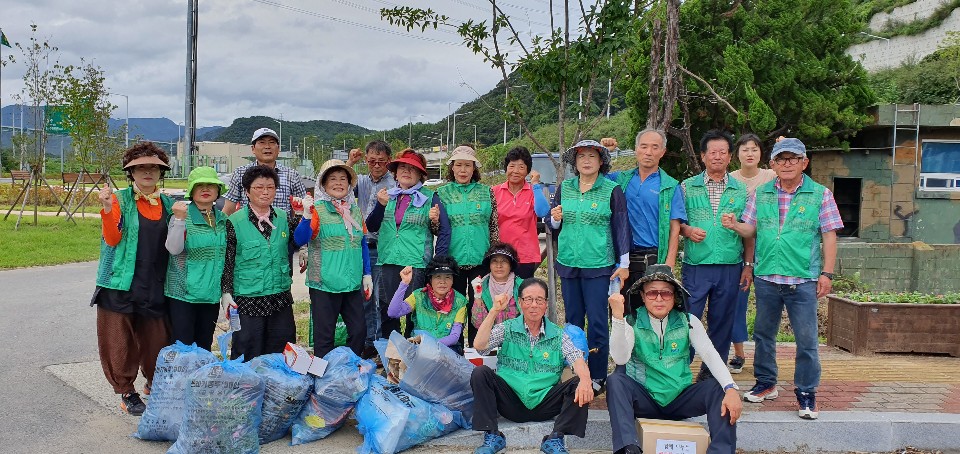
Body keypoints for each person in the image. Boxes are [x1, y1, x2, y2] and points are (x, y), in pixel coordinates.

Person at [722, 137, 842, 420]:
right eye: (781, 159)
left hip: (803, 279)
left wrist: (827, 273)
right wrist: (734, 224)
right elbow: (750, 229)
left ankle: (807, 392)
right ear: (772, 164)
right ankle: (766, 383)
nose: (787, 164)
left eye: (793, 159)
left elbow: (829, 235)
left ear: (804, 163)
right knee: (764, 335)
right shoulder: (761, 193)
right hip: (767, 277)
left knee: (807, 339)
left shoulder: (820, 194)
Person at [606, 264, 741, 454]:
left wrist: (731, 388)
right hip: (645, 399)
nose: (659, 299)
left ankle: (721, 451)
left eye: (666, 293)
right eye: (652, 293)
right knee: (615, 381)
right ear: (643, 297)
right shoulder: (632, 321)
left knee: (718, 388)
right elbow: (620, 358)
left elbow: (710, 354)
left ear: (675, 296)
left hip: (680, 399)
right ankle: (629, 449)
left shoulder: (688, 321)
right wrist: (618, 318)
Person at [92, 142, 174, 416]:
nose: (147, 172)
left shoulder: (169, 205)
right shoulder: (118, 200)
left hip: (156, 282)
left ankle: (155, 383)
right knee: (118, 340)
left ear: (161, 172)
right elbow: (112, 238)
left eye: (153, 167)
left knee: (158, 340)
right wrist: (106, 208)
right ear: (131, 173)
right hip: (120, 282)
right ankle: (126, 391)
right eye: (140, 168)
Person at [471, 278, 594, 454]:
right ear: (520, 303)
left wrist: (585, 379)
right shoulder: (507, 328)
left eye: (539, 300)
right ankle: (492, 435)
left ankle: (555, 438)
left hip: (545, 403)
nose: (533, 305)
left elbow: (577, 359)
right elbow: (480, 346)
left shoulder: (558, 334)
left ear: (546, 305)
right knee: (480, 373)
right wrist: (494, 311)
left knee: (579, 383)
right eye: (528, 299)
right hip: (510, 401)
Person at [549, 139, 630, 387]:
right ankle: (577, 371)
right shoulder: (565, 188)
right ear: (575, 162)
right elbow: (554, 224)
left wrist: (623, 262)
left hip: (598, 266)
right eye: (581, 156)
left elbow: (621, 226)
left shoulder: (611, 190)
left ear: (601, 161)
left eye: (591, 156)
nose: (586, 160)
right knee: (573, 321)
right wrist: (554, 218)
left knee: (596, 322)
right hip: (569, 264)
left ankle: (596, 375)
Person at [677, 130, 749, 378]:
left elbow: (750, 231)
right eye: (712, 152)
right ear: (703, 156)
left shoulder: (741, 191)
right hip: (696, 266)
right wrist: (687, 230)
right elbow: (676, 223)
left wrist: (747, 265)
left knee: (722, 325)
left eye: (723, 152)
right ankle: (679, 374)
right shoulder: (687, 187)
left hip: (730, 266)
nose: (717, 157)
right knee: (687, 322)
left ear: (730, 157)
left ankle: (712, 377)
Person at [221, 165, 304, 360]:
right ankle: (246, 389)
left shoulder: (283, 218)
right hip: (247, 298)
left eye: (270, 187)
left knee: (281, 348)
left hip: (279, 297)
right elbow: (228, 259)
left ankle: (276, 389)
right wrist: (225, 292)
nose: (265, 192)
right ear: (247, 192)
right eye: (259, 187)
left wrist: (302, 215)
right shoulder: (234, 222)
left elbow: (299, 240)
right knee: (246, 347)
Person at [366, 148, 450, 340]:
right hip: (388, 259)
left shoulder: (430, 197)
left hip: (416, 261)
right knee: (387, 308)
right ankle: (392, 351)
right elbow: (371, 225)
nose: (406, 171)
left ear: (420, 174)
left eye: (412, 168)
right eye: (402, 167)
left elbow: (443, 230)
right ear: (395, 172)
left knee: (415, 310)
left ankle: (413, 351)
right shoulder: (387, 195)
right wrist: (380, 205)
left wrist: (438, 259)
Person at [294, 159, 373, 358]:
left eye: (343, 179)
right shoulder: (317, 210)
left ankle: (349, 368)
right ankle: (324, 379)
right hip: (324, 284)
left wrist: (367, 274)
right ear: (323, 184)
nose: (338, 183)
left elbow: (361, 243)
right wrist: (305, 215)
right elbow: (299, 239)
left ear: (349, 184)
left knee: (358, 331)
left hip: (352, 283)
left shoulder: (354, 210)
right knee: (324, 336)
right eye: (333, 179)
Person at [608, 129, 686, 313]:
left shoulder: (670, 186)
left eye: (654, 147)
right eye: (643, 146)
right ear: (636, 149)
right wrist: (607, 152)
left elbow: (675, 229)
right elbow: (592, 174)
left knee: (651, 312)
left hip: (653, 258)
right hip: (622, 258)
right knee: (621, 313)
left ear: (663, 152)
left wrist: (668, 265)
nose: (648, 152)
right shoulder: (621, 179)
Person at [434, 145, 499, 339]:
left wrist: (494, 257)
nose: (463, 170)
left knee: (479, 305)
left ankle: (477, 348)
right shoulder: (441, 194)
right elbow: (436, 230)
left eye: (468, 166)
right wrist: (434, 221)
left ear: (474, 169)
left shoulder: (487, 192)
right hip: (452, 261)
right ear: (452, 168)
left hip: (481, 260)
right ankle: (454, 348)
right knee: (454, 305)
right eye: (459, 165)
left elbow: (494, 226)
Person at [726, 133, 776, 373]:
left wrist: (782, 147)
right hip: (739, 248)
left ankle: (766, 358)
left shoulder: (770, 176)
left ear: (761, 154)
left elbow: (795, 173)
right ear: (737, 154)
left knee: (769, 306)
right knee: (737, 302)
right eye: (744, 149)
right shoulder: (730, 179)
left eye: (754, 149)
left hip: (768, 250)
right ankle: (738, 353)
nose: (749, 153)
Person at [164, 166, 228, 352]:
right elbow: (173, 249)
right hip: (183, 294)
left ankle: (200, 381)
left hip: (210, 294)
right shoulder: (181, 216)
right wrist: (180, 220)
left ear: (218, 191)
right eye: (200, 185)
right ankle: (182, 382)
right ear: (191, 191)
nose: (205, 189)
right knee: (183, 349)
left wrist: (226, 292)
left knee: (204, 346)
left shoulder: (223, 219)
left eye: (211, 185)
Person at [345, 140, 396, 359]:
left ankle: (378, 343)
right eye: (372, 161)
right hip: (360, 246)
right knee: (363, 297)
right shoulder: (362, 181)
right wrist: (349, 163)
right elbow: (341, 189)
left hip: (382, 247)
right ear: (366, 160)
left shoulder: (394, 183)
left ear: (389, 162)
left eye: (381, 162)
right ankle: (367, 341)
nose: (376, 166)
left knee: (377, 298)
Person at [387, 255, 467, 352]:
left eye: (448, 277)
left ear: (453, 280)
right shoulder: (419, 296)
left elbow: (454, 337)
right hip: (418, 348)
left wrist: (430, 345)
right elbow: (393, 312)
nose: (443, 282)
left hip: (446, 349)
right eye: (438, 277)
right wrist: (404, 283)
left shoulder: (460, 301)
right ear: (430, 279)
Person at [492, 146, 551, 279]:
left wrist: (535, 183)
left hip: (525, 256)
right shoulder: (494, 192)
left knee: (523, 296)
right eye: (512, 166)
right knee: (500, 297)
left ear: (528, 171)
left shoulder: (533, 191)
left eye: (521, 167)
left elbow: (543, 212)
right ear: (506, 168)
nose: (516, 171)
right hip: (500, 255)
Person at [222, 127, 307, 217]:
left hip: (282, 229)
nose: (267, 146)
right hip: (248, 229)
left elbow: (302, 209)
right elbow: (229, 209)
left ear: (278, 149)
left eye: (272, 142)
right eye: (262, 142)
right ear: (253, 149)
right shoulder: (240, 173)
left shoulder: (292, 175)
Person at [470, 242, 525, 331]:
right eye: (494, 261)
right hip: (490, 338)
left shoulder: (522, 286)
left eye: (504, 261)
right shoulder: (482, 285)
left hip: (516, 338)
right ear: (489, 265)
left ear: (511, 265)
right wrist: (478, 297)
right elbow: (478, 324)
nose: (499, 265)